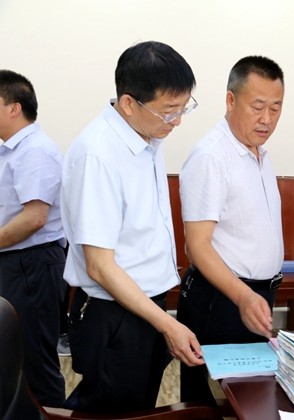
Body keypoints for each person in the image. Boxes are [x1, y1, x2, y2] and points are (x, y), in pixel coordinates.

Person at [60, 41, 204, 413]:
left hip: (144, 307)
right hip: (114, 315)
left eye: (183, 107)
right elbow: (99, 266)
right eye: (169, 111)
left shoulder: (147, 135)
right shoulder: (98, 154)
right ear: (128, 103)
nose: (177, 121)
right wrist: (168, 325)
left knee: (139, 408)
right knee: (110, 412)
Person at [177, 55, 285, 405]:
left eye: (275, 108)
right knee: (209, 404)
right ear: (230, 100)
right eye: (257, 106)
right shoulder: (211, 156)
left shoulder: (260, 154)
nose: (267, 118)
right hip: (221, 301)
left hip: (254, 299)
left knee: (250, 400)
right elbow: (197, 247)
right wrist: (243, 296)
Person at [0, 69, 66, 407]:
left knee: (35, 359)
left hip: (32, 264)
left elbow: (34, 218)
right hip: (16, 261)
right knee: (13, 354)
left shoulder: (35, 151)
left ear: (14, 107)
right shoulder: (11, 151)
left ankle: (50, 414)